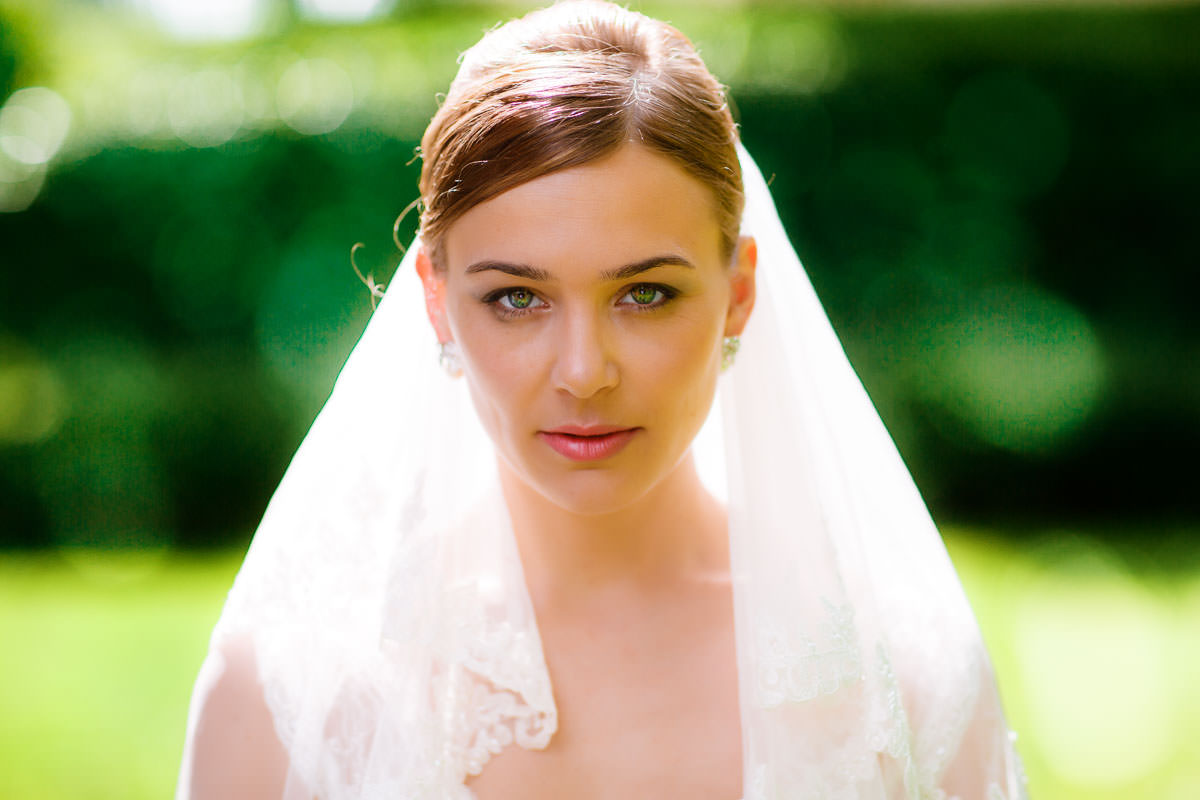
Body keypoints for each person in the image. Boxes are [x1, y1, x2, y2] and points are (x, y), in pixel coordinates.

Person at [176, 2, 1028, 798]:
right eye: (517, 298)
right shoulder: (289, 693)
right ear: (435, 303)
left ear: (738, 294)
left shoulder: (904, 684)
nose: (584, 372)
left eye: (645, 294)